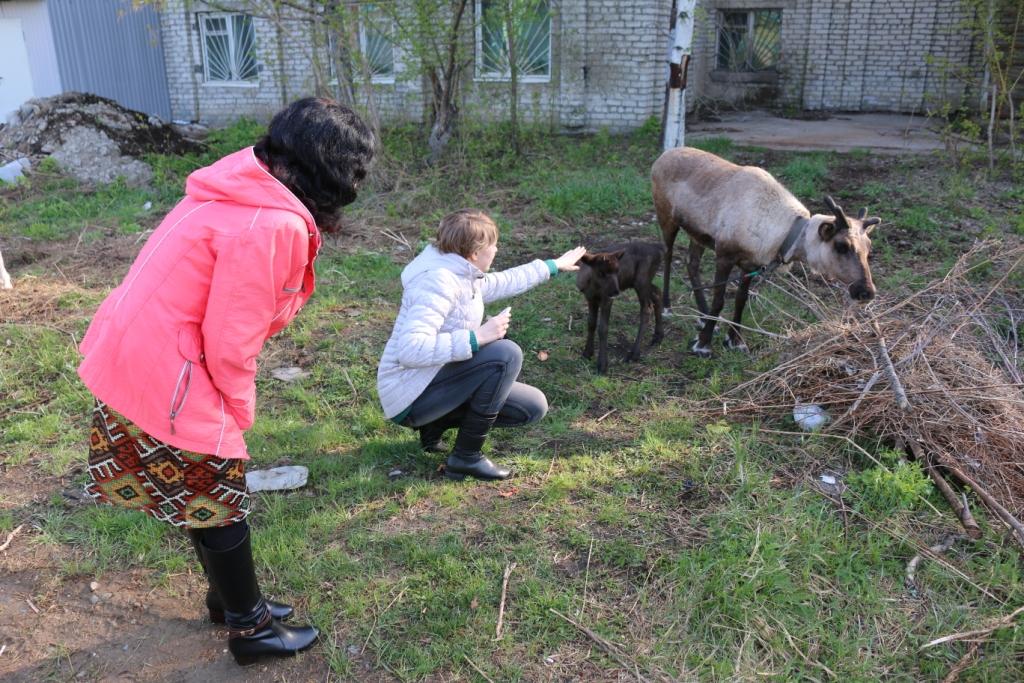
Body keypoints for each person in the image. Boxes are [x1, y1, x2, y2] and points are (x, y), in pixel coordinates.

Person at [77, 98, 375, 666]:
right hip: (171, 364)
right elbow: (231, 339)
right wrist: (238, 410)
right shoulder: (271, 222)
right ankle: (251, 628)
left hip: (135, 347)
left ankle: (226, 598)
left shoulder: (238, 184)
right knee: (218, 491)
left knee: (202, 489)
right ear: (333, 169)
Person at [377, 209, 585, 481]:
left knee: (532, 406)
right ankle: (466, 456)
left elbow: (502, 281)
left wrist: (552, 266)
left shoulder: (461, 273)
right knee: (505, 354)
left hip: (431, 381)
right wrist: (478, 337)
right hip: (408, 393)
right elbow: (410, 349)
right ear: (474, 253)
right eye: (493, 245)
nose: (497, 250)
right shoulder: (438, 282)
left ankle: (435, 424)